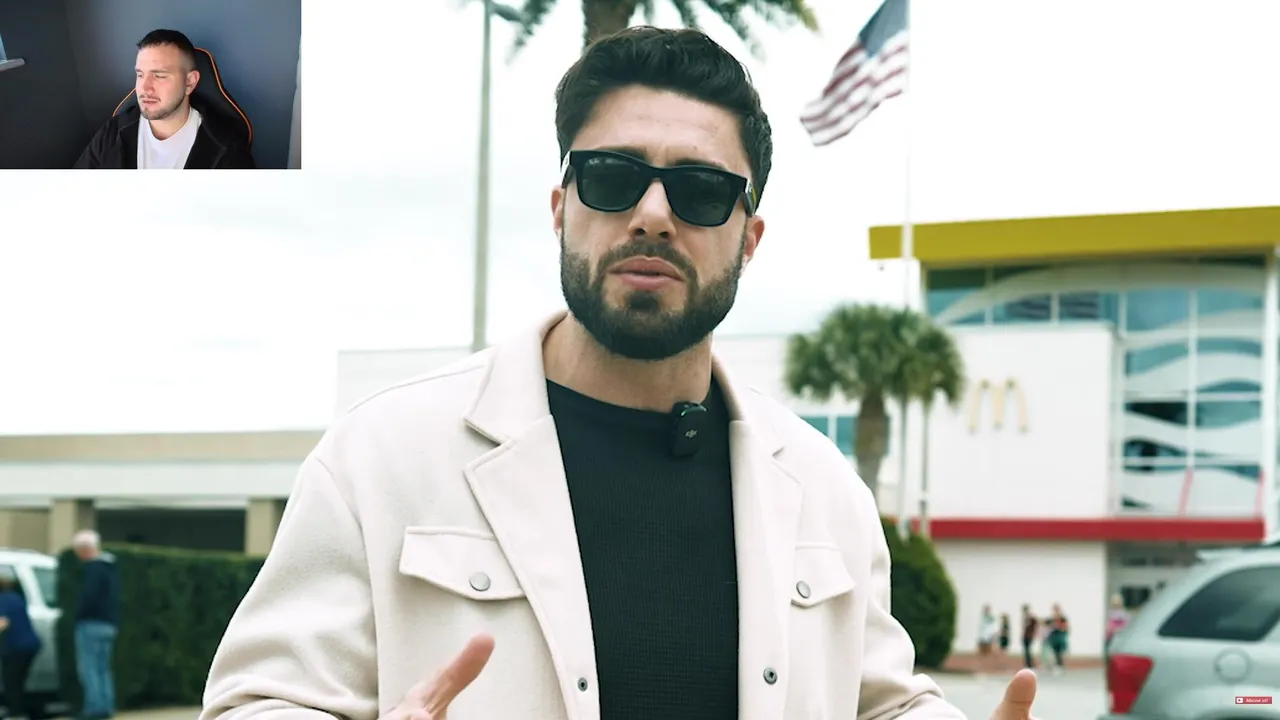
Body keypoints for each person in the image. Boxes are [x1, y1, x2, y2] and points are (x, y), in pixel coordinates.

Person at [200, 26, 1041, 720]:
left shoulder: (825, 492)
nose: (653, 215)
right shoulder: (381, 457)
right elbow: (259, 700)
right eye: (613, 177)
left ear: (749, 239)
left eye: (701, 191)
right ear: (561, 207)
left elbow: (881, 701)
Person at [73, 29, 254, 169]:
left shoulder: (228, 150)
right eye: (140, 75)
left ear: (190, 82)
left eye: (159, 76)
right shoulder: (112, 132)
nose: (144, 88)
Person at [73, 530, 121, 720]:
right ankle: (106, 705)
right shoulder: (111, 568)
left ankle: (94, 708)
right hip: (109, 623)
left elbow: (89, 597)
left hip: (91, 623)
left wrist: (77, 614)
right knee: (103, 668)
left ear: (83, 549)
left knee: (89, 667)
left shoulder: (93, 569)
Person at [0, 569, 42, 720]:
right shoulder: (15, 597)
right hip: (29, 645)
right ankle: (17, 712)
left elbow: (3, 622)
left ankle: (16, 714)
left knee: (11, 682)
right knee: (17, 681)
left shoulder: (3, 600)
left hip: (16, 647)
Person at [1020, 605, 1038, 669]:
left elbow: (1036, 624)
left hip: (1030, 636)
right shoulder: (1024, 618)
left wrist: (1034, 633)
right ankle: (1027, 664)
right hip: (1025, 636)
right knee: (1026, 650)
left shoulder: (1031, 618)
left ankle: (1030, 664)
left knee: (1028, 650)